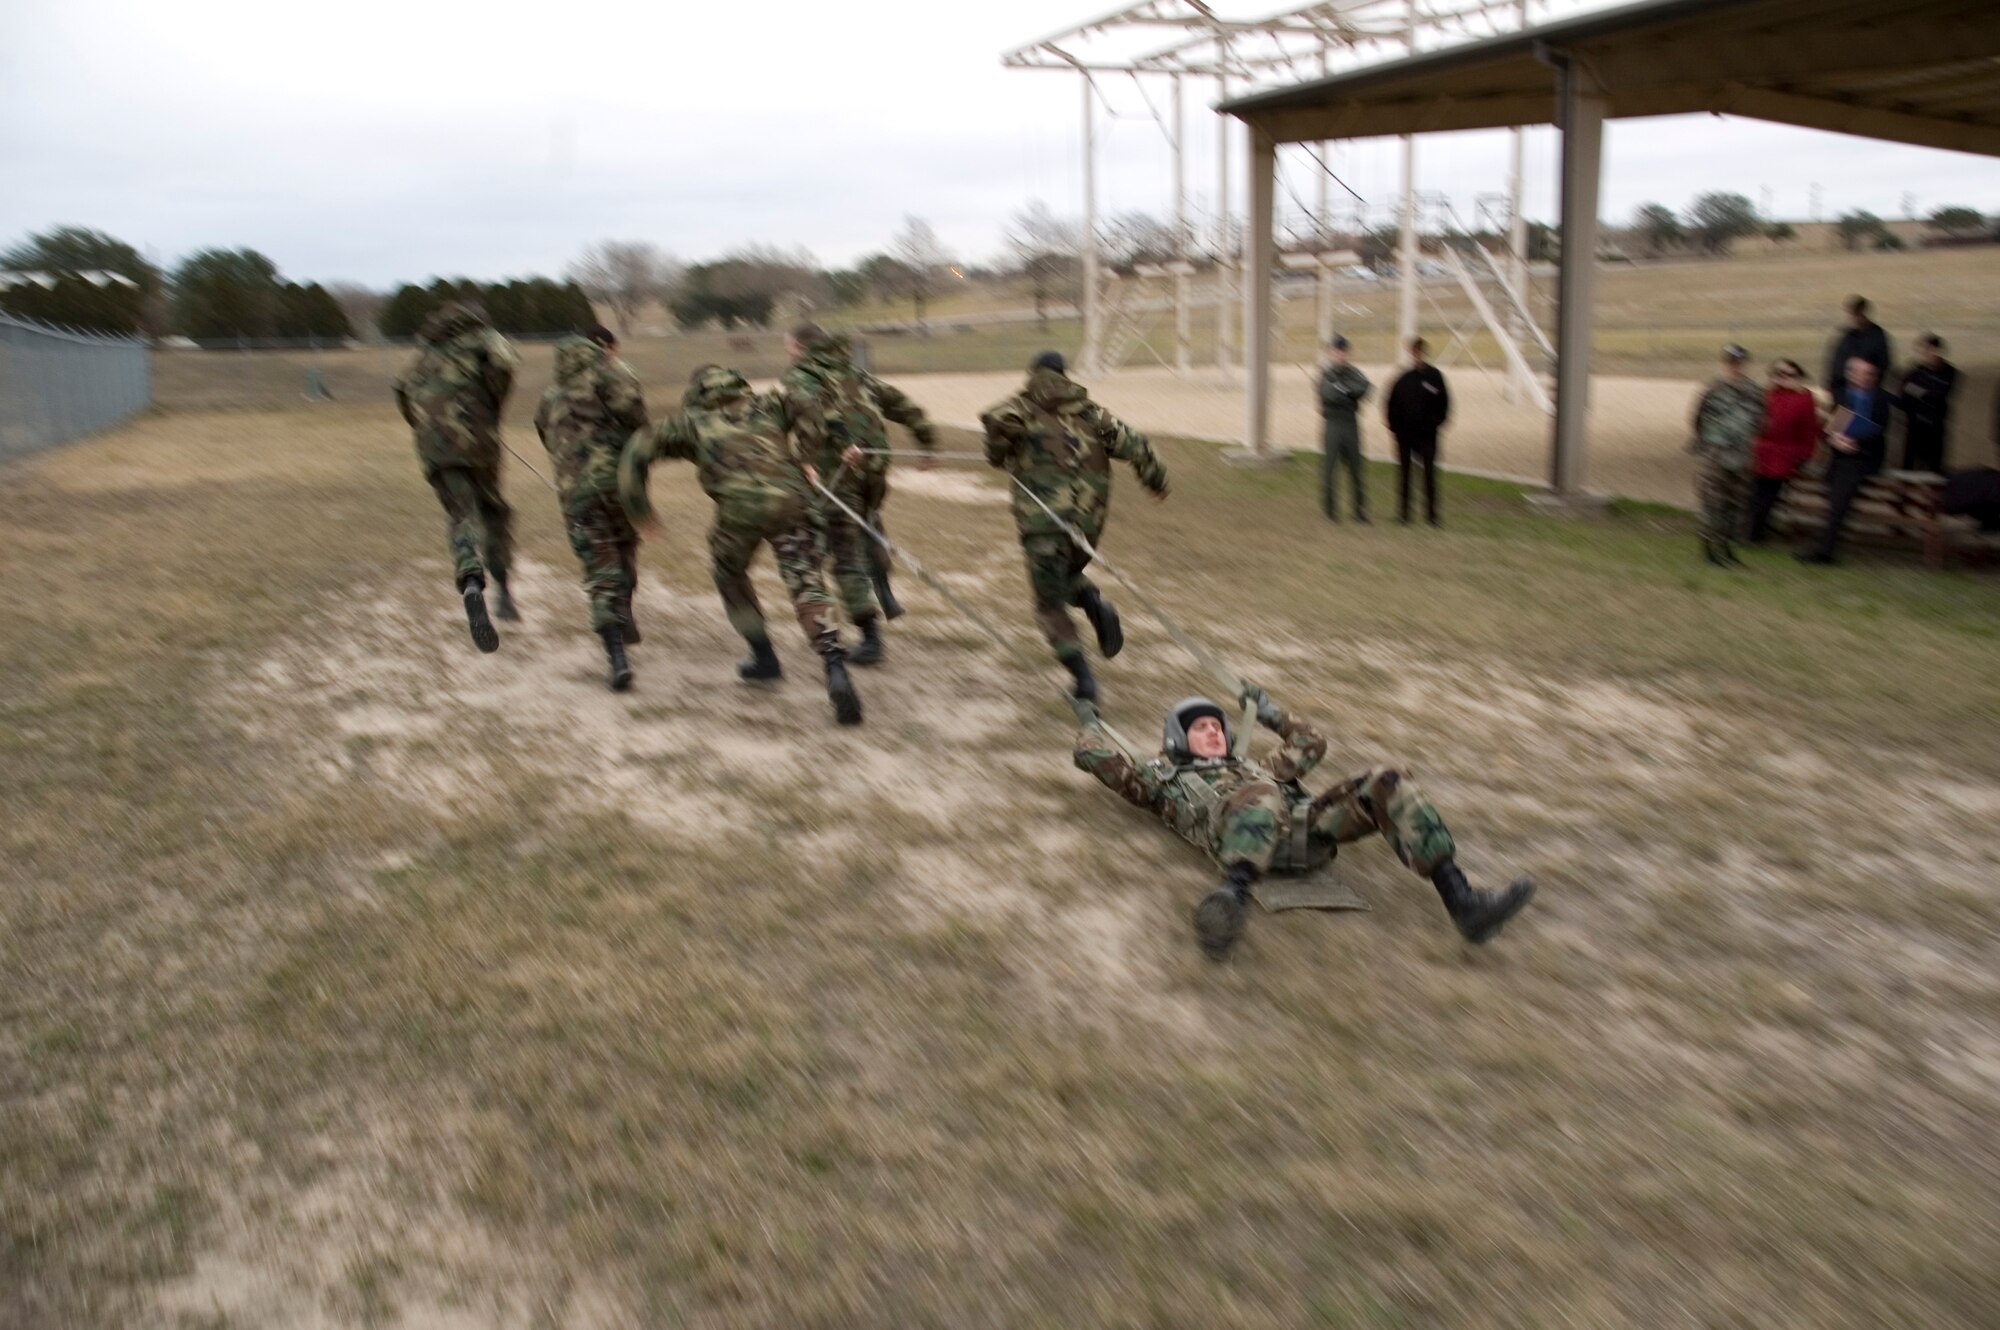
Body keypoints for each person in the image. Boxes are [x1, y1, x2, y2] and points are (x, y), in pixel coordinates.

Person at [1072, 687, 1533, 961]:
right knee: (1262, 795)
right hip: (1244, 844)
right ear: (1178, 739)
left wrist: (1268, 711)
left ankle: (1463, 902)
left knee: (1389, 780)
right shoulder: (1164, 780)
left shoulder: (1261, 766)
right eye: (1201, 728)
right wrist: (1090, 724)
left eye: (1218, 726)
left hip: (1305, 834)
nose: (1214, 731)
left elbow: (1312, 742)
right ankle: (1230, 901)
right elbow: (1097, 759)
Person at [619, 366, 863, 726]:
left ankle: (763, 657)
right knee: (807, 581)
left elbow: (637, 449)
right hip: (792, 503)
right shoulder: (768, 405)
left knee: (729, 572)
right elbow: (814, 404)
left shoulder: (690, 422)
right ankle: (834, 665)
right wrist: (814, 452)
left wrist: (639, 510)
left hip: (738, 512)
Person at [980, 352, 1169, 703]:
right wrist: (1156, 482)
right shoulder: (1091, 413)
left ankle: (1084, 682)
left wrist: (1003, 449)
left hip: (1044, 523)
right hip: (1088, 524)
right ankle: (1093, 603)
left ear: (1033, 374)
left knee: (1048, 604)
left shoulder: (1021, 405)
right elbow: (1138, 446)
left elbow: (996, 439)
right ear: (1064, 375)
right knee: (1063, 575)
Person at [774, 323, 938, 668]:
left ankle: (870, 637)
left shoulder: (801, 376)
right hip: (874, 468)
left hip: (840, 471)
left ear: (798, 347)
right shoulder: (853, 372)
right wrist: (925, 436)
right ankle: (885, 593)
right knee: (869, 524)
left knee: (844, 551)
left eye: (788, 347)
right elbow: (897, 402)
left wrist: (808, 457)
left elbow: (815, 416)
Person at [393, 301, 521, 652]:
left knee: (460, 515)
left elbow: (401, 391)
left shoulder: (424, 353)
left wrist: (424, 427)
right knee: (493, 509)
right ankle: (504, 592)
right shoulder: (483, 340)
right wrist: (492, 407)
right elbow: (506, 363)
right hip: (479, 441)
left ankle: (470, 581)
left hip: (434, 448)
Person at [534, 328, 649, 690]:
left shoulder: (550, 396)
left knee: (600, 571)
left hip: (577, 493)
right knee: (625, 548)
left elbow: (544, 433)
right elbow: (636, 416)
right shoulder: (610, 379)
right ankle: (625, 605)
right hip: (618, 485)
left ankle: (617, 657)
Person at [1798, 357, 1893, 566]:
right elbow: (1827, 428)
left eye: (1869, 373)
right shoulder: (1843, 396)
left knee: (1840, 496)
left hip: (1865, 457)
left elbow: (1880, 430)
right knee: (1834, 494)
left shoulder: (1879, 398)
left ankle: (1825, 551)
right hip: (1841, 456)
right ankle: (1823, 545)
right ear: (1850, 374)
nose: (1865, 377)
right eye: (1860, 372)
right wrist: (1835, 440)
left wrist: (1854, 441)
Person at [1688, 345, 1764, 566]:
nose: (1735, 367)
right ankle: (1709, 549)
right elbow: (1698, 420)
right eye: (1731, 362)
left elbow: (1759, 419)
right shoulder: (1713, 389)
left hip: (1741, 454)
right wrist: (1711, 441)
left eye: (1739, 363)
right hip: (1716, 454)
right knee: (1713, 502)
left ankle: (1727, 549)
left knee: (1736, 503)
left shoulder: (1753, 390)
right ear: (1724, 364)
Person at [1745, 359, 1819, 545]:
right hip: (1760, 450)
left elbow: (1809, 431)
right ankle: (1748, 529)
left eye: (1789, 374)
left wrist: (1803, 455)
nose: (1783, 378)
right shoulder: (1766, 394)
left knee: (1767, 493)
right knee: (1753, 491)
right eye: (1779, 374)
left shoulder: (1804, 398)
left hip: (1784, 453)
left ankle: (1754, 533)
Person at [1384, 337, 1450, 526]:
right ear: (1411, 354)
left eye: (1420, 352)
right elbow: (1391, 405)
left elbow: (1444, 404)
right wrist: (1394, 428)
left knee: (1429, 475)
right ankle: (1404, 514)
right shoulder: (1404, 379)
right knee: (1405, 475)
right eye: (1414, 353)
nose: (1417, 356)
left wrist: (1436, 423)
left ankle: (1431, 516)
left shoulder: (1435, 377)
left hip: (1428, 436)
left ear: (1424, 353)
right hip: (1405, 436)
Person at [1315, 335, 1371, 522]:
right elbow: (1327, 394)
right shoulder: (1326, 374)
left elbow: (1364, 388)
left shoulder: (1354, 372)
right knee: (1329, 471)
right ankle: (1330, 512)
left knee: (1356, 469)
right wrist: (1347, 393)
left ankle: (1359, 512)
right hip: (1333, 424)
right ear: (1332, 353)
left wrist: (1344, 390)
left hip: (1350, 423)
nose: (1340, 354)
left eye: (1343, 351)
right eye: (1337, 351)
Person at [1895, 333, 1957, 473]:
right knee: (1909, 466)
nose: (1926, 354)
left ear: (1938, 351)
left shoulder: (1949, 372)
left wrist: (1917, 391)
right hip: (1915, 426)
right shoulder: (1915, 372)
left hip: (1935, 427)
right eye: (1924, 350)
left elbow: (1939, 395)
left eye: (1929, 350)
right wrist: (1925, 392)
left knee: (1934, 467)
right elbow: (1904, 394)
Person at [1824, 295, 1890, 403]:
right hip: (1843, 391)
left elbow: (1883, 364)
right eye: (1852, 314)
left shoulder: (1877, 336)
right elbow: (1837, 362)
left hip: (1865, 393)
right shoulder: (1848, 335)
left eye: (1856, 314)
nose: (1853, 318)